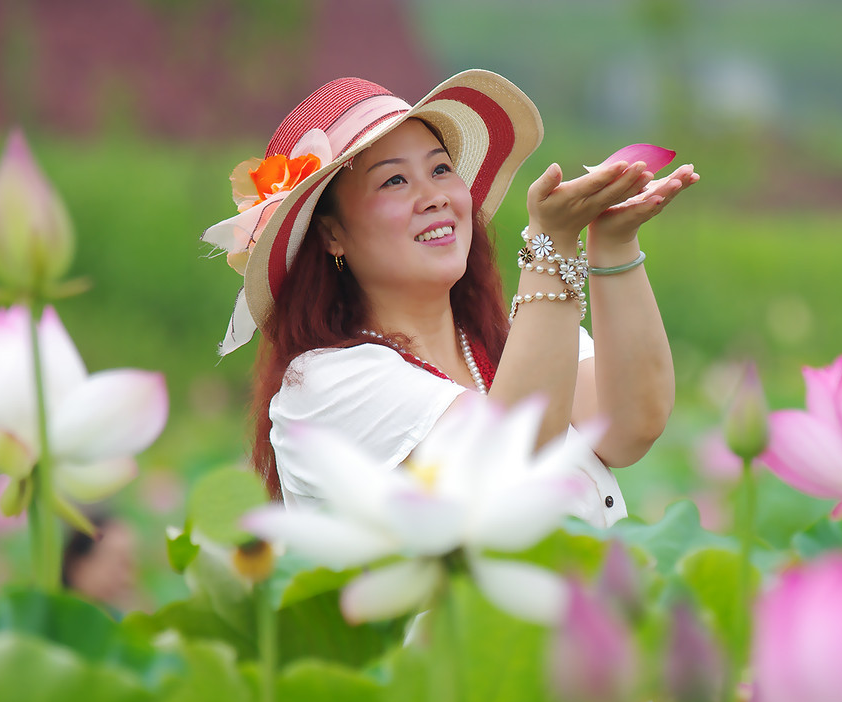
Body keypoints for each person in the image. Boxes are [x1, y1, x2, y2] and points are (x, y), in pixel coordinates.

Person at [201, 70, 698, 528]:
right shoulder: (323, 385)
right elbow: (505, 467)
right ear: (332, 233)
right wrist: (552, 243)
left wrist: (611, 242)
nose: (434, 195)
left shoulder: (513, 337)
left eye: (440, 170)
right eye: (395, 180)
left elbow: (630, 426)